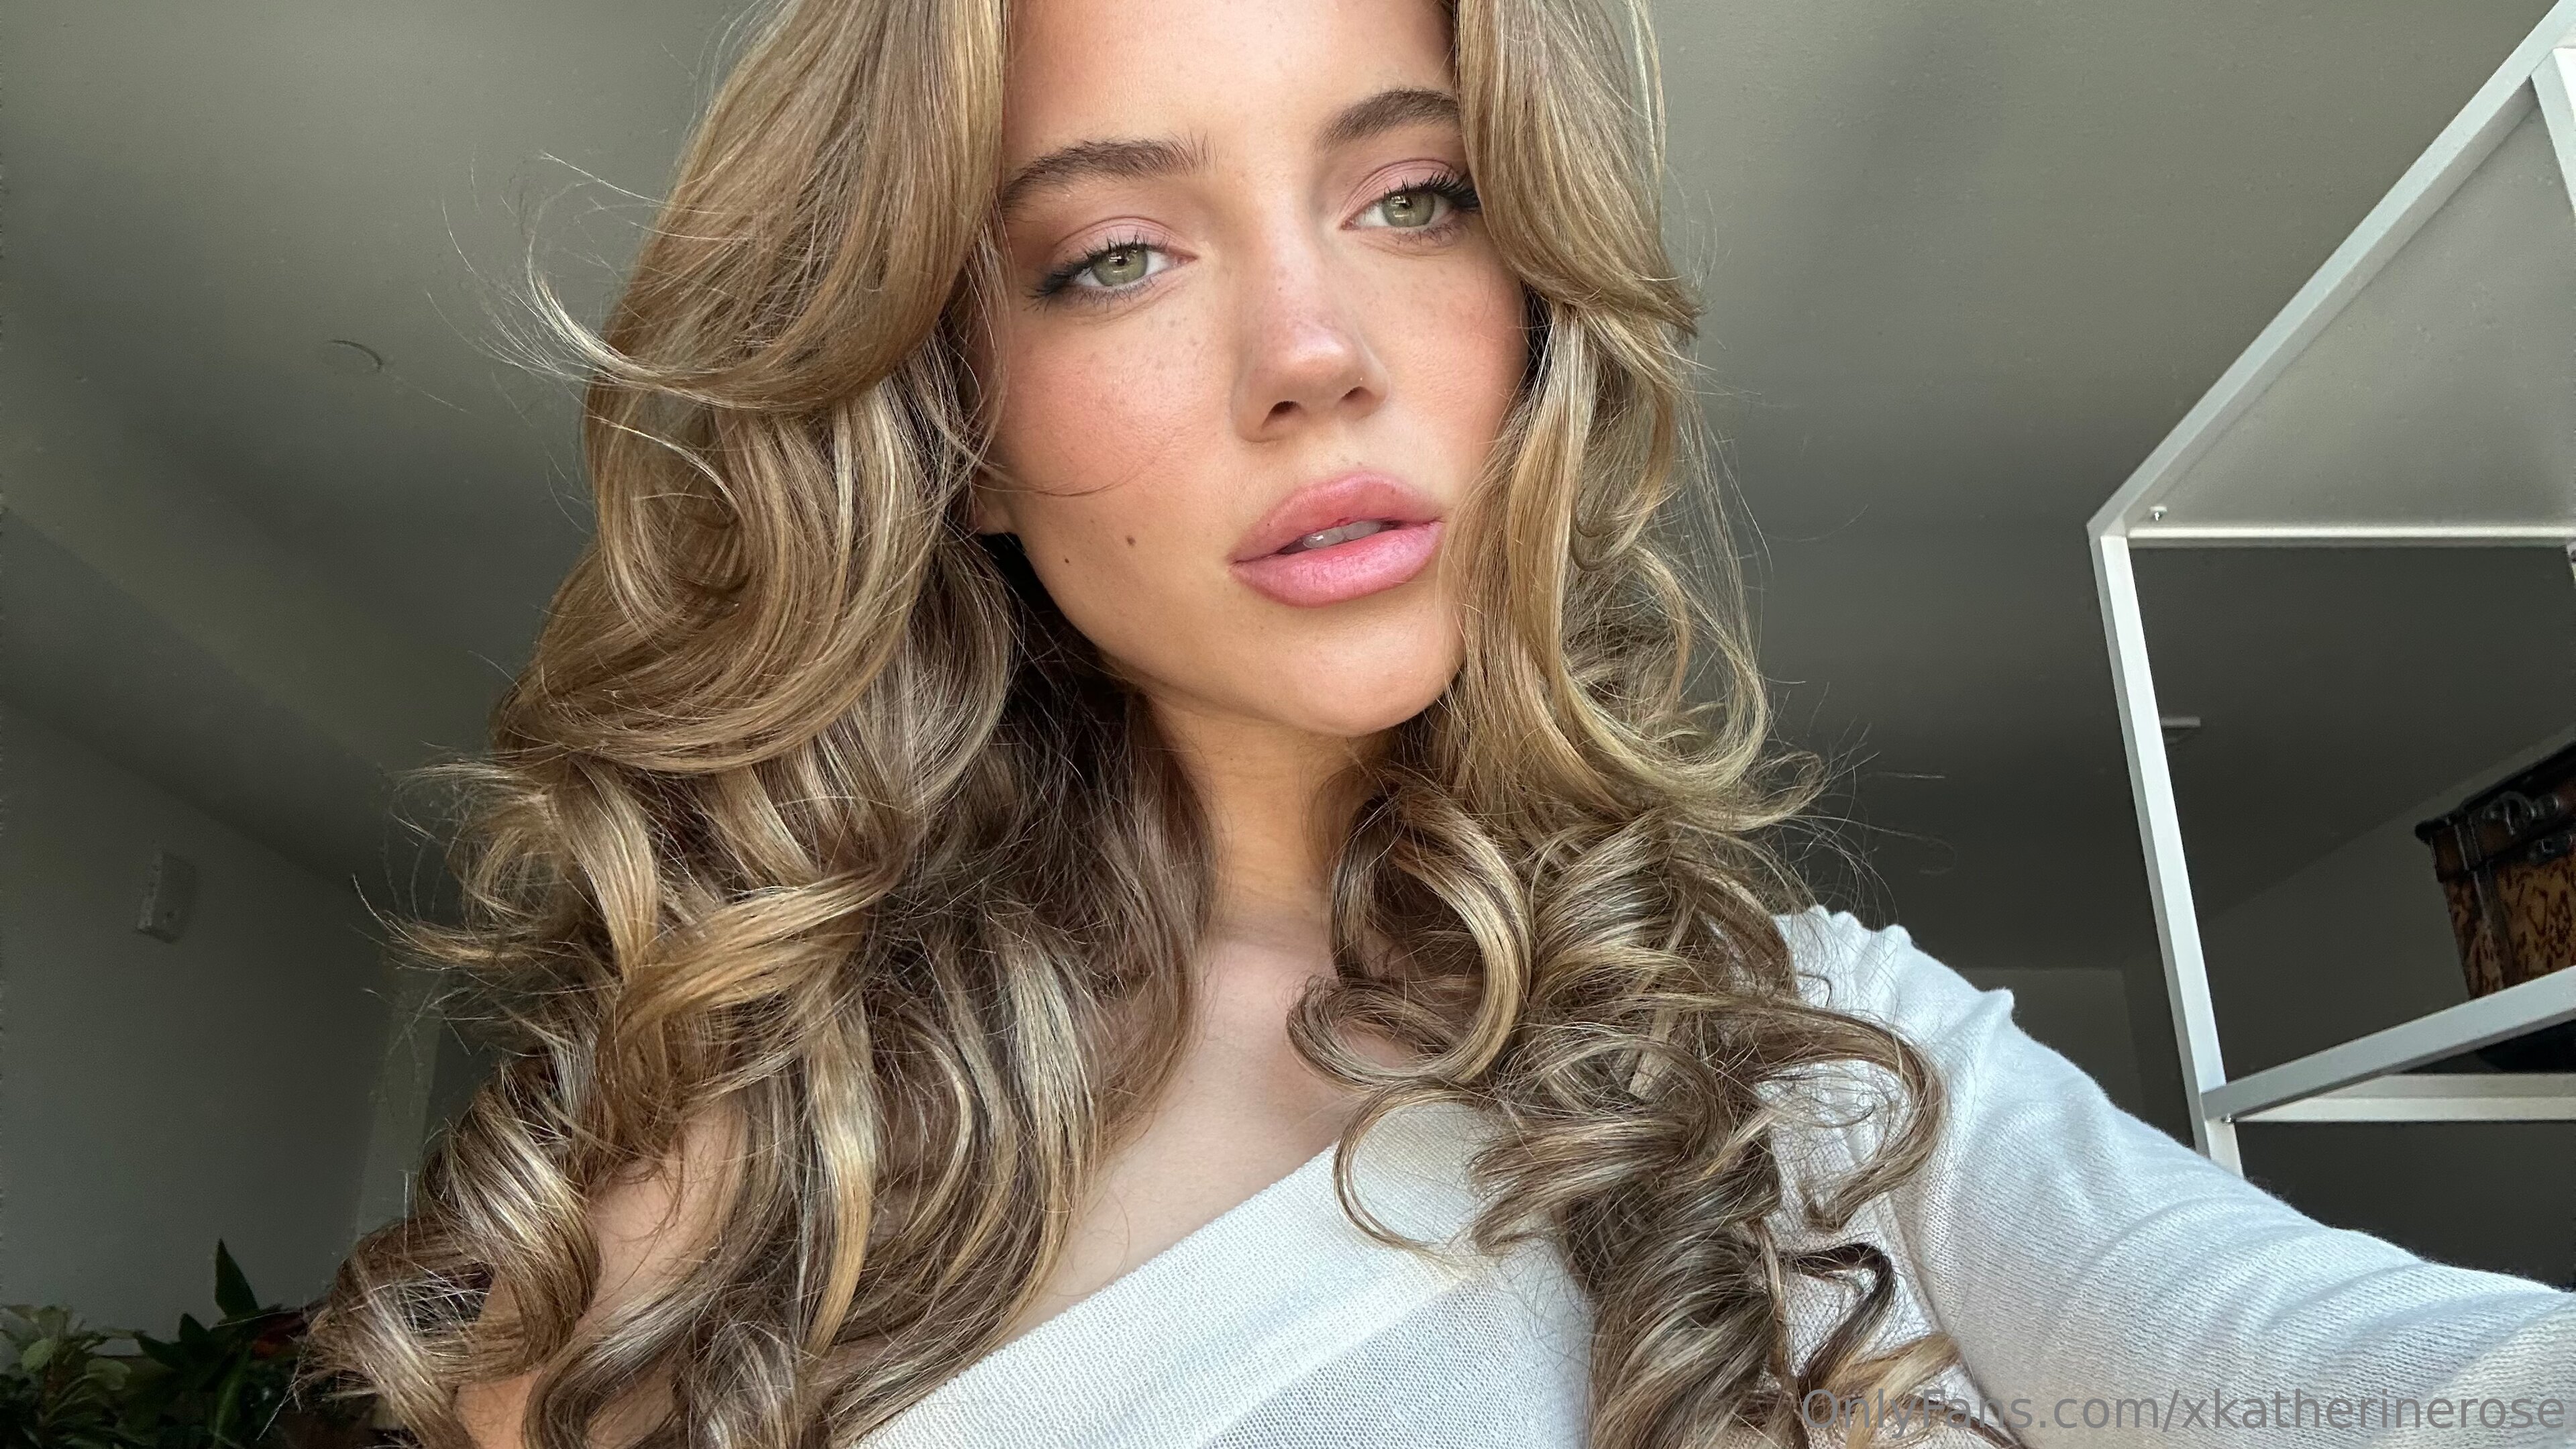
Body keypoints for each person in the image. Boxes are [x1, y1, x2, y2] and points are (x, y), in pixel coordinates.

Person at [304, 0, 2576, 1444]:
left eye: (1418, 198)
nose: (1316, 350)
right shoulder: (703, 1192)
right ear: (958, 427)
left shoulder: (1814, 1057)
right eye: (1114, 253)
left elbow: (2403, 1382)